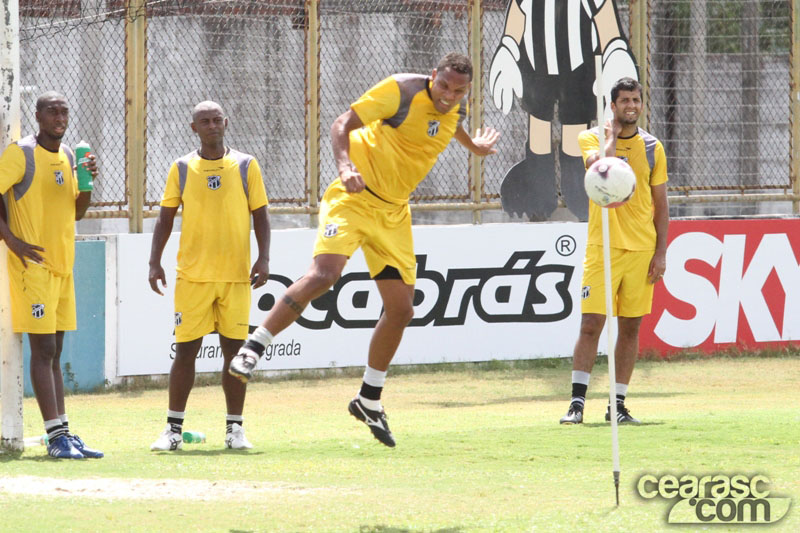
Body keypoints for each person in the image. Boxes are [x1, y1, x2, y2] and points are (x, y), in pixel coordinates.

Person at [228, 53, 500, 447]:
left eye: (458, 91)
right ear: (433, 76)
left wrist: (473, 146)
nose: (448, 95)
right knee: (325, 274)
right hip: (353, 198)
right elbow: (342, 124)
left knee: (402, 309)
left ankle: (369, 399)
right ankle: (254, 347)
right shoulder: (400, 91)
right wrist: (344, 167)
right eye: (444, 86)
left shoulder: (454, 107)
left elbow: (446, 123)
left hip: (393, 213)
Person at [148, 101, 270, 451]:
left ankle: (235, 431)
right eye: (205, 121)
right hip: (193, 277)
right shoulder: (183, 167)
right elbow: (165, 218)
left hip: (235, 277)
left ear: (226, 123)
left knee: (235, 354)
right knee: (186, 351)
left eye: (217, 119)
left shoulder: (246, 165)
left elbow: (260, 214)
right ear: (194, 128)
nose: (212, 125)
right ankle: (172, 431)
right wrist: (154, 262)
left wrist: (264, 258)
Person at [559, 77, 669, 425]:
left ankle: (617, 405)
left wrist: (661, 251)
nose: (631, 106)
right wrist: (611, 136)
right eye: (624, 101)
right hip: (602, 247)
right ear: (613, 105)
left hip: (641, 249)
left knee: (631, 328)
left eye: (636, 100)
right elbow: (599, 170)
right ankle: (577, 404)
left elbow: (661, 204)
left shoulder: (653, 147)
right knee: (591, 324)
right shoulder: (590, 138)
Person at [0, 92, 103, 459]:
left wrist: (88, 181)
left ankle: (63, 433)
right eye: (52, 111)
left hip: (63, 266)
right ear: (38, 116)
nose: (60, 117)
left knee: (55, 351)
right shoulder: (21, 153)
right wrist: (11, 240)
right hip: (34, 268)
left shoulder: (69, 156)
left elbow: (76, 212)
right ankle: (55, 437)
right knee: (43, 350)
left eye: (64, 111)